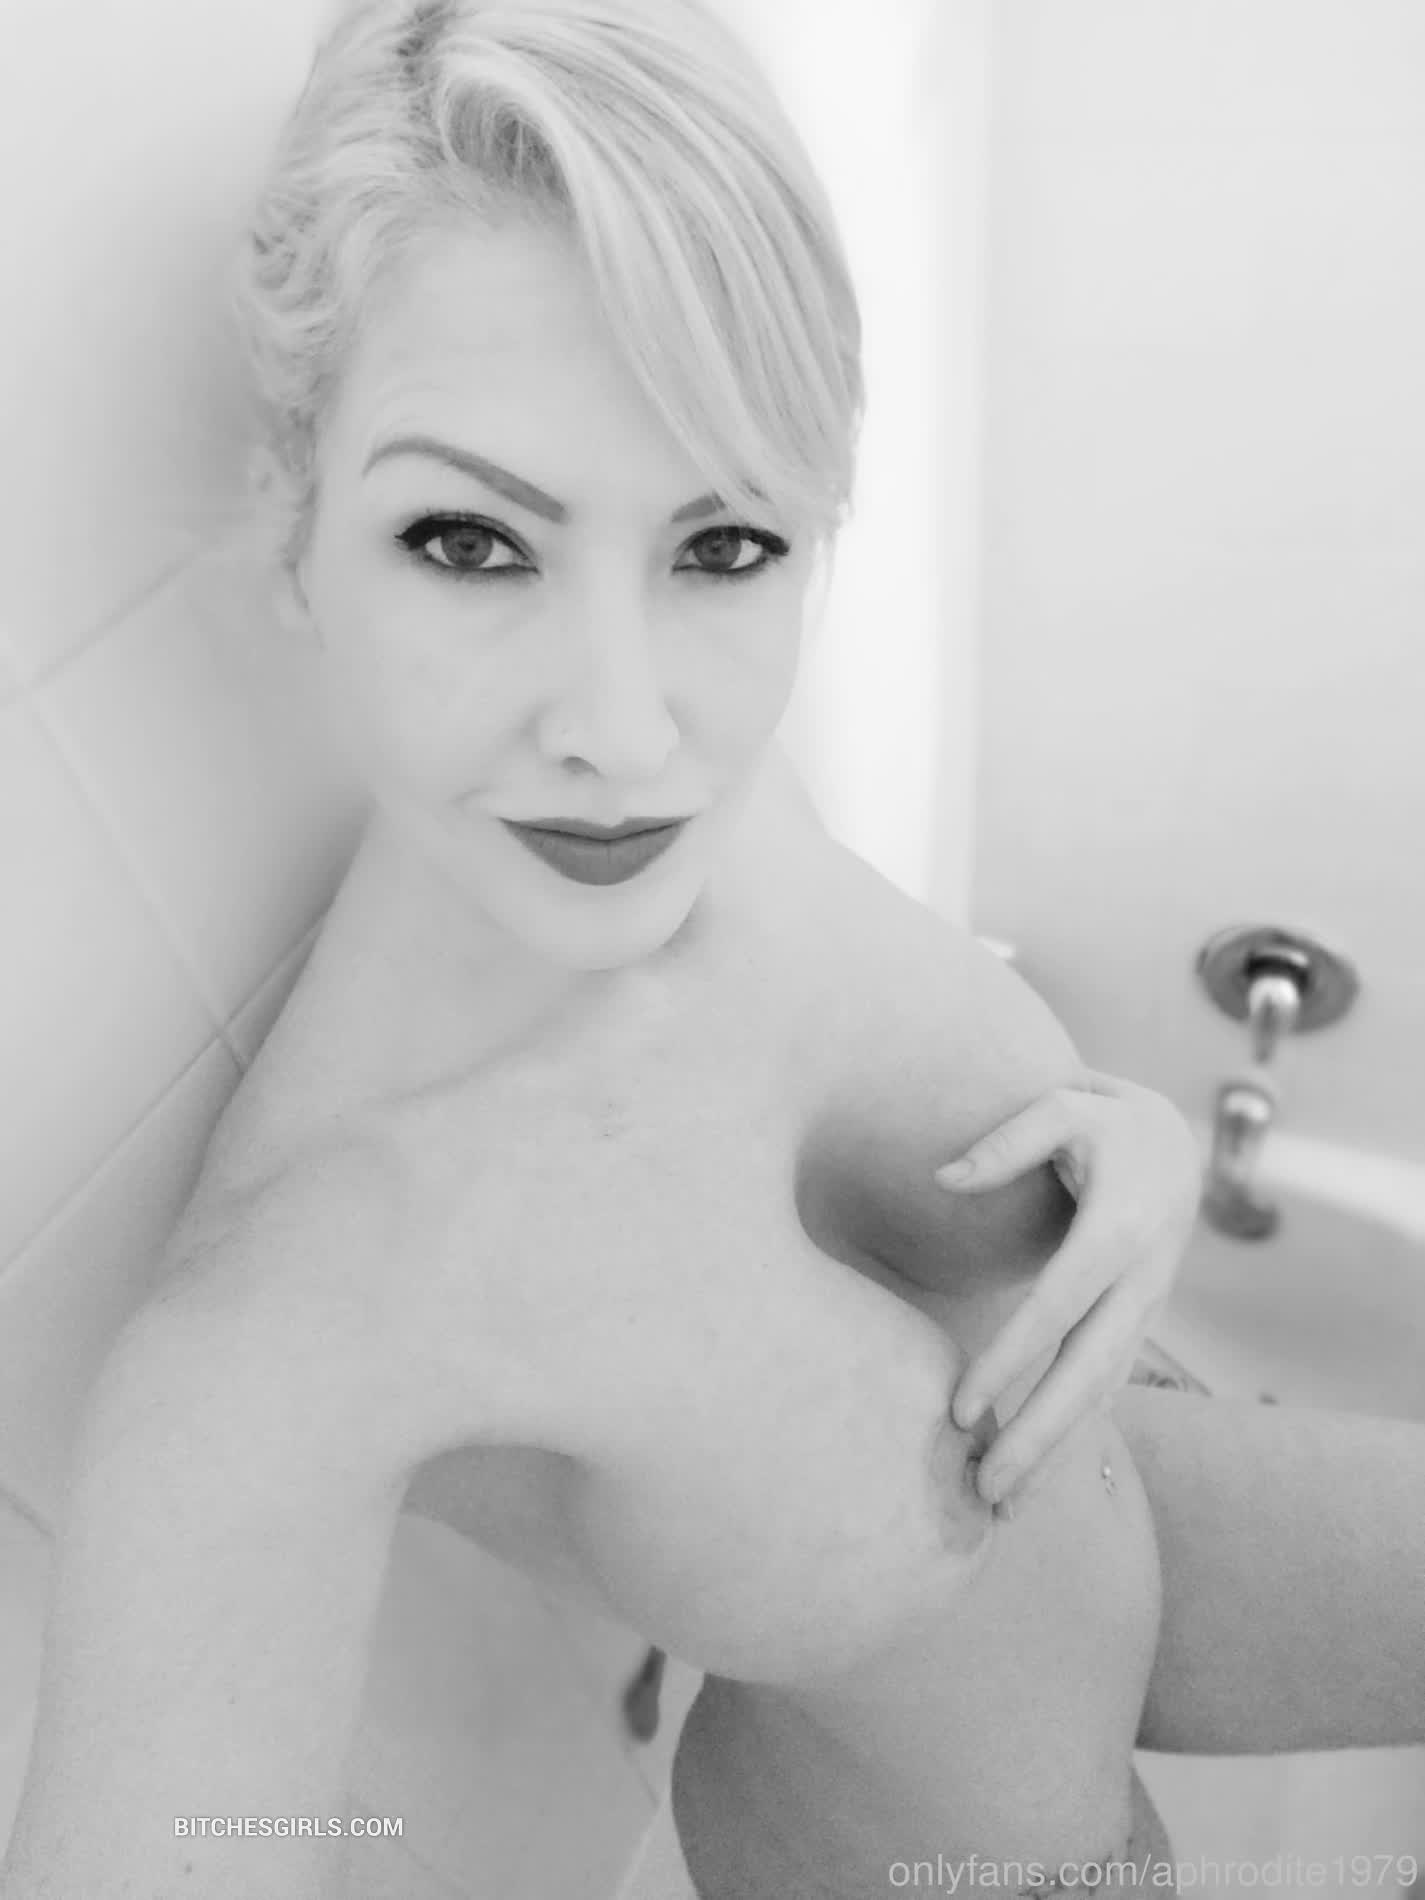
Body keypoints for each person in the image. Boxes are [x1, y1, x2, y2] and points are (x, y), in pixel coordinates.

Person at [2, 5, 1421, 1899]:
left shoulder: (697, 818)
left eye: (723, 543)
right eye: (468, 542)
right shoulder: (298, 1316)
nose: (623, 726)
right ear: (291, 522)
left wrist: (1130, 1143)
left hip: (1143, 1485)